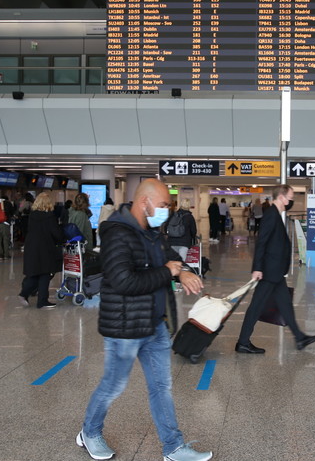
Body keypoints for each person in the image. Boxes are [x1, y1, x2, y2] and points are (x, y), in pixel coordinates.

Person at [78, 178, 212, 461]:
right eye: (163, 205)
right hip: (126, 327)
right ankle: (89, 432)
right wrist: (168, 272)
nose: (166, 210)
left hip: (155, 323)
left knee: (161, 387)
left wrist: (184, 271)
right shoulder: (116, 232)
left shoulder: (152, 231)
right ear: (144, 202)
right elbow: (123, 281)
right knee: (114, 385)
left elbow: (172, 258)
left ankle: (173, 447)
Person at [236, 184, 315, 354]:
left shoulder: (276, 214)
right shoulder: (271, 215)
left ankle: (300, 337)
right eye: (290, 197)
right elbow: (262, 242)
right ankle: (243, 342)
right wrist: (257, 268)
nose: (291, 201)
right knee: (256, 306)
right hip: (268, 271)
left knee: (285, 305)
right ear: (281, 197)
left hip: (274, 271)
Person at [18, 192, 64, 309]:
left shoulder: (32, 216)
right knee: (45, 274)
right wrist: (63, 239)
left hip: (31, 247)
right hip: (45, 248)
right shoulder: (49, 217)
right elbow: (56, 234)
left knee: (34, 273)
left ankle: (25, 294)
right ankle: (41, 300)